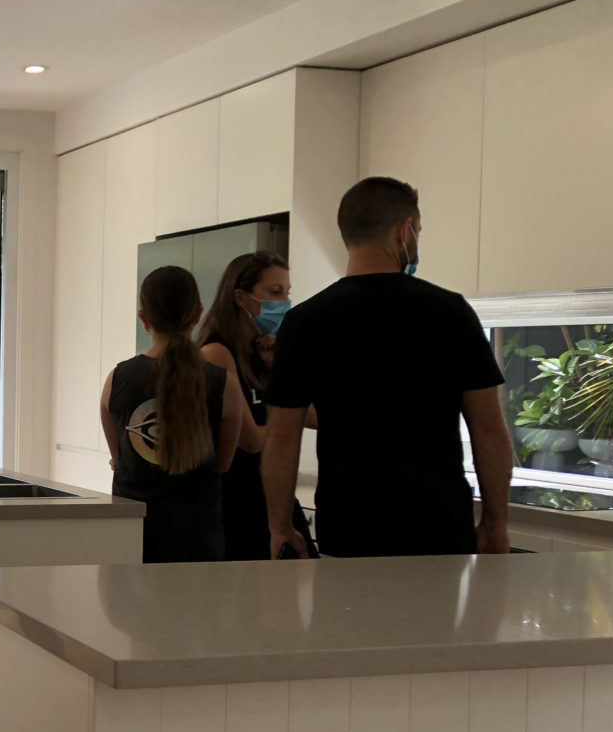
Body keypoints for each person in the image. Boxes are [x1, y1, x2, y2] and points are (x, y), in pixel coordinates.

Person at [262, 176, 513, 559]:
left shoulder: (304, 322)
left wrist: (280, 526)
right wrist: (496, 523)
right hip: (439, 529)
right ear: (404, 231)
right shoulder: (450, 312)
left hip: (348, 528)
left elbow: (282, 438)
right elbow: (489, 432)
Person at [101, 265, 242, 562]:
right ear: (198, 313)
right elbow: (223, 463)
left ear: (143, 318)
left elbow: (120, 458)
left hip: (132, 539)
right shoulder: (223, 383)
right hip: (197, 543)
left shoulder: (118, 379)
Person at [198, 252, 317, 559]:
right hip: (236, 504)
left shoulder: (266, 353)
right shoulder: (216, 353)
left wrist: (279, 370)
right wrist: (287, 426)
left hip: (273, 499)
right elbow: (249, 440)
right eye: (275, 292)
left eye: (287, 293)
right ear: (241, 297)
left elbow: (316, 417)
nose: (284, 303)